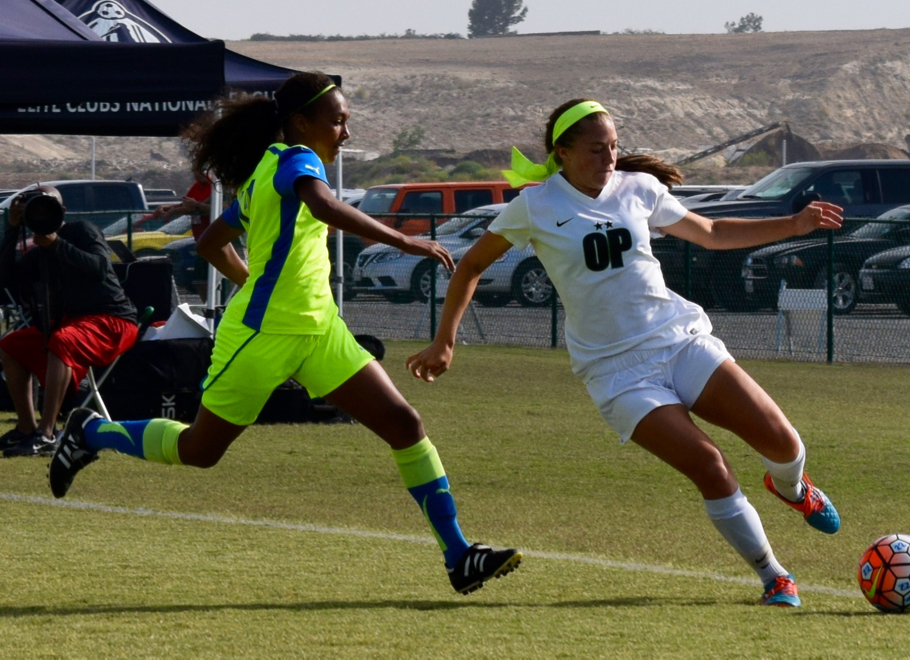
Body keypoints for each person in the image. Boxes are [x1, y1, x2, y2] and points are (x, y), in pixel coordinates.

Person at [48, 72, 522, 595]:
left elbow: (210, 243)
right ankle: (90, 432)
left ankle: (459, 556)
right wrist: (404, 241)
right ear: (300, 123)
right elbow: (322, 207)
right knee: (202, 451)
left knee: (404, 424)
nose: (345, 132)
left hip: (320, 330)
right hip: (263, 334)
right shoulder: (297, 160)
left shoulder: (265, 172)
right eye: (337, 120)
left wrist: (257, 281)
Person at [407, 99, 844, 607]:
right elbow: (470, 266)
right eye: (596, 149)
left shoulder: (639, 189)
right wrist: (445, 341)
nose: (609, 157)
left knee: (782, 441)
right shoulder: (536, 205)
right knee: (709, 464)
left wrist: (793, 224)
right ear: (562, 153)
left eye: (614, 146)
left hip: (678, 341)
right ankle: (775, 577)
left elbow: (712, 233)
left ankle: (792, 488)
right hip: (616, 373)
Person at [0, 185, 139, 457]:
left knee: (62, 340)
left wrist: (58, 245)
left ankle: (47, 433)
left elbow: (99, 267)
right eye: (34, 208)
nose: (40, 212)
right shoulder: (39, 252)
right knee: (10, 345)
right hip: (73, 324)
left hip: (113, 320)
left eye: (46, 206)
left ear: (62, 210)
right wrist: (12, 229)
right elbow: (6, 280)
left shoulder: (82, 230)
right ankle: (26, 429)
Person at [151, 169, 212, 241]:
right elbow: (185, 204)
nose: (197, 175)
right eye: (195, 172)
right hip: (198, 232)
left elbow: (192, 207)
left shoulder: (214, 186)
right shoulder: (196, 186)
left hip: (211, 231)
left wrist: (172, 211)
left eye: (200, 171)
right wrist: (166, 207)